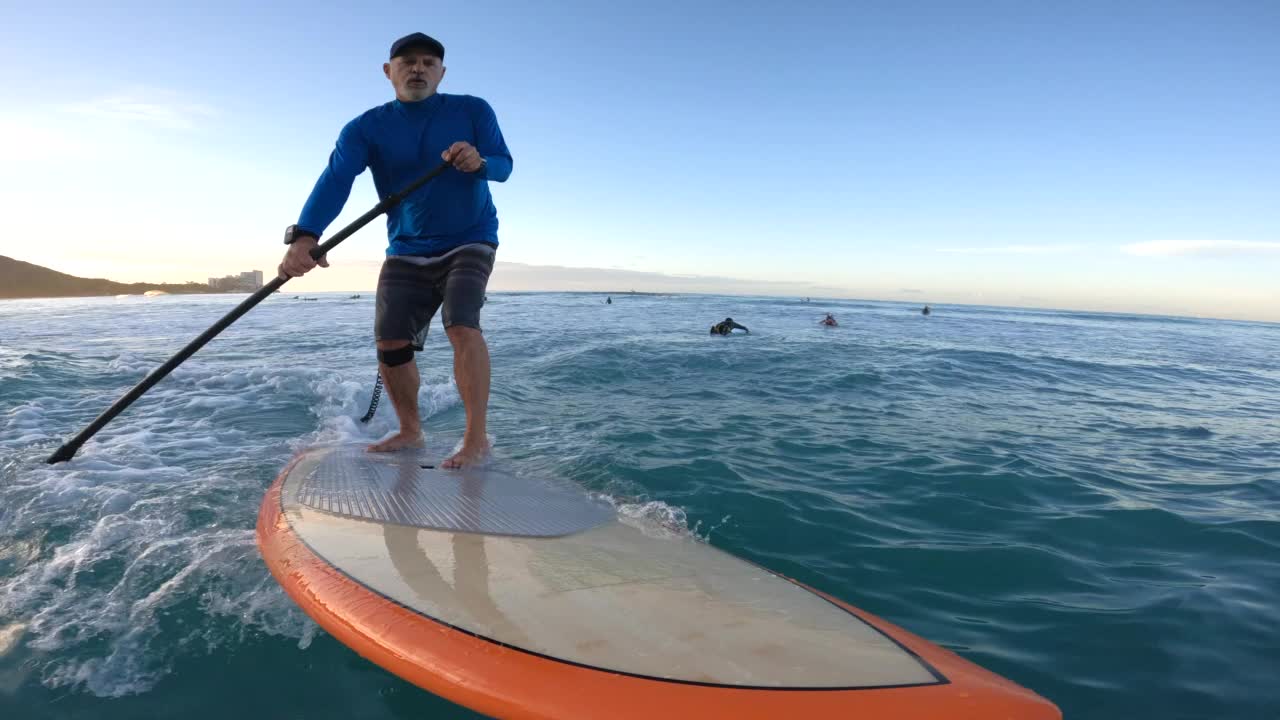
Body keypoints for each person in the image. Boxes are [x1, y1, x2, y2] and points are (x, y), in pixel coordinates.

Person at [277, 32, 513, 468]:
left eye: (428, 62)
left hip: (471, 237)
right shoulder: (366, 128)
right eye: (407, 62)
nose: (418, 69)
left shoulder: (473, 110)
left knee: (461, 324)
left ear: (442, 72)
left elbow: (504, 165)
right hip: (405, 247)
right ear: (389, 72)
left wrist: (479, 162)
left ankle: (475, 438)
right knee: (390, 342)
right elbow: (336, 179)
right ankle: (410, 430)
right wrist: (307, 235)